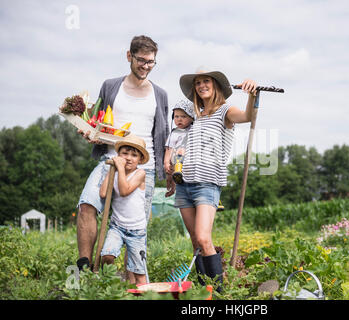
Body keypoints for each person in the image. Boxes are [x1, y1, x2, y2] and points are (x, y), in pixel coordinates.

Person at [76, 35, 173, 272]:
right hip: (110, 159)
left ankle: (132, 283)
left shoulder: (159, 94)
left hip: (144, 167)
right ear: (129, 56)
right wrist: (88, 131)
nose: (146, 66)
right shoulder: (110, 86)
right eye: (141, 60)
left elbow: (164, 134)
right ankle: (85, 267)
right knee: (86, 205)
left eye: (151, 62)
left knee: (135, 225)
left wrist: (167, 171)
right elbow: (97, 119)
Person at [176, 67, 257, 292]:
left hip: (206, 184)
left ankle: (218, 293)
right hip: (184, 185)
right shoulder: (194, 116)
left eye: (206, 82)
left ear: (216, 86)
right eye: (198, 83)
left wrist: (252, 95)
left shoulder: (225, 111)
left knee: (203, 238)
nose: (201, 86)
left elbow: (247, 117)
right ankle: (205, 293)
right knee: (195, 242)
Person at [99, 135, 149, 285]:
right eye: (125, 154)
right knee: (107, 255)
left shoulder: (140, 174)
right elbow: (103, 193)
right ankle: (111, 284)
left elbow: (124, 190)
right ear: (117, 155)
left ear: (140, 160)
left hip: (136, 231)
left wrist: (119, 168)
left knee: (139, 273)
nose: (128, 158)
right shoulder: (115, 172)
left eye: (134, 155)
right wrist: (112, 170)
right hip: (117, 227)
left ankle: (145, 295)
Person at [164, 100, 195, 184]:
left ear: (191, 117)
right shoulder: (174, 133)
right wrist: (166, 162)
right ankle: (177, 174)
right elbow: (168, 149)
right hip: (177, 159)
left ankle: (179, 175)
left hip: (190, 161)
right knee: (179, 152)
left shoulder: (194, 130)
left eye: (183, 116)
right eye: (176, 116)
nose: (179, 119)